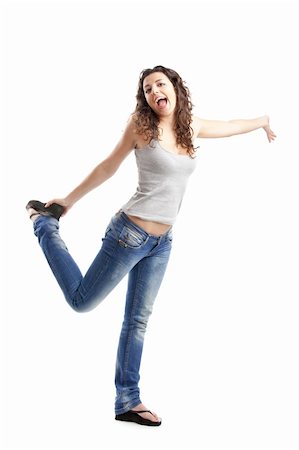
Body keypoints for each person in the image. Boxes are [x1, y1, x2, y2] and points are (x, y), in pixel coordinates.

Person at [26, 65, 276, 427]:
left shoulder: (192, 127)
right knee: (81, 302)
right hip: (129, 235)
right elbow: (107, 167)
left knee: (138, 322)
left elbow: (231, 125)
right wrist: (67, 201)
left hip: (162, 242)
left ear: (175, 88)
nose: (154, 91)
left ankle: (127, 401)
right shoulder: (141, 127)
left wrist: (263, 120)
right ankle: (45, 226)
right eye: (147, 89)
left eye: (160, 83)